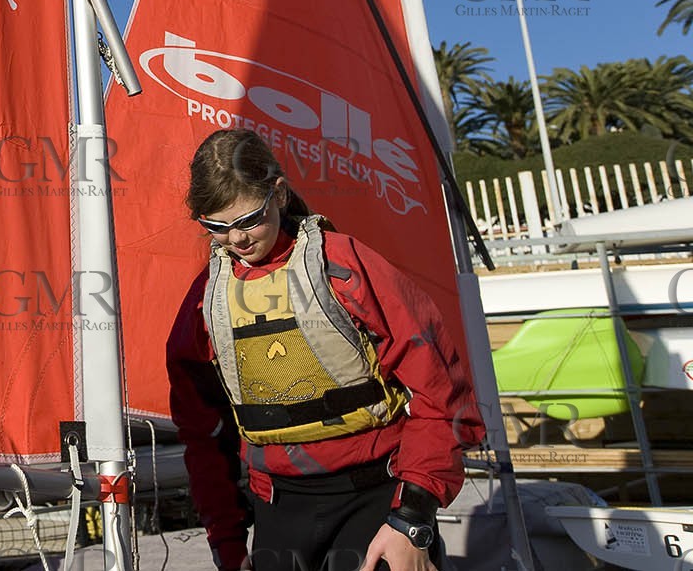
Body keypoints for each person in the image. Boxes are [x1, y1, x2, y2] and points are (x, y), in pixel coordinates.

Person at [166, 129, 484, 571]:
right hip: (280, 512)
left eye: (248, 220)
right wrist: (228, 543)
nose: (235, 239)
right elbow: (203, 436)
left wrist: (412, 519)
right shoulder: (205, 303)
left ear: (277, 194)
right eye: (217, 227)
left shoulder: (346, 267)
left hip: (379, 505)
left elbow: (443, 393)